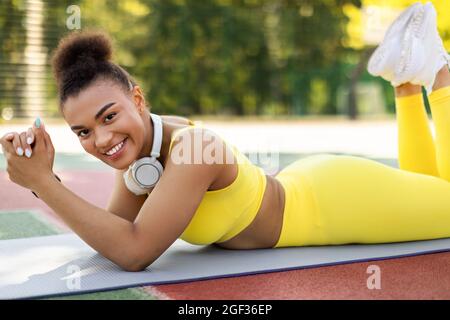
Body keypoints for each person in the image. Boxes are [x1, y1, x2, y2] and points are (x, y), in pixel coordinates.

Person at [1, 2, 449, 272]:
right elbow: (113, 233)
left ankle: (440, 70)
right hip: (317, 186)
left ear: (137, 99)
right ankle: (406, 83)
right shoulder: (144, 151)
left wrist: (41, 182)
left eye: (108, 116)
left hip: (337, 204)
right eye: (83, 132)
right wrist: (46, 177)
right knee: (430, 192)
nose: (100, 139)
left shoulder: (194, 150)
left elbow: (134, 251)